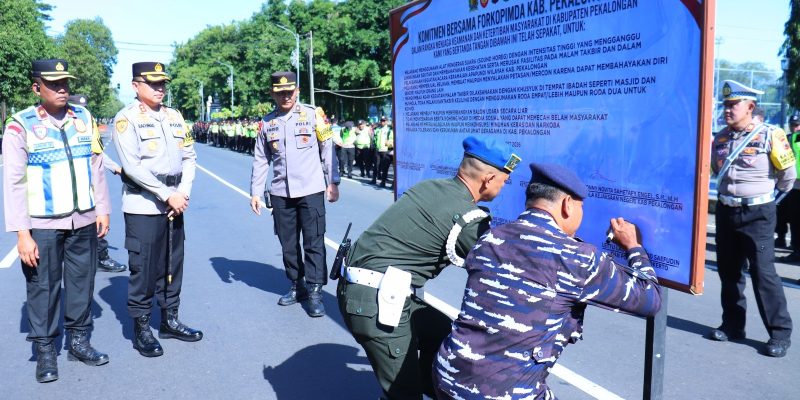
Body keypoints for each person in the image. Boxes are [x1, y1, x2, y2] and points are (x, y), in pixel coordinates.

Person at [433, 162, 662, 399]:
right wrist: (633, 246)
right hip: (505, 392)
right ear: (567, 205)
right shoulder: (577, 258)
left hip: (447, 376)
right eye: (581, 207)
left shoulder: (490, 237)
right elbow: (650, 299)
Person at [337, 136, 520, 399]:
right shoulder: (469, 218)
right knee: (403, 394)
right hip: (376, 303)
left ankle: (426, 382)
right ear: (489, 180)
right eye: (505, 180)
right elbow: (503, 270)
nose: (503, 186)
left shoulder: (430, 187)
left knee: (440, 331)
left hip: (362, 290)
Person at [2, 59, 111, 382]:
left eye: (65, 82)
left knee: (82, 284)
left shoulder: (84, 118)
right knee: (43, 287)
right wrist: (23, 233)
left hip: (84, 221)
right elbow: (14, 182)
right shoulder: (19, 125)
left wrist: (102, 208)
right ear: (37, 88)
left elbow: (97, 165)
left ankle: (79, 341)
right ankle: (46, 351)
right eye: (54, 84)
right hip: (44, 224)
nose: (63, 88)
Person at [112, 62, 203, 358]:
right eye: (153, 84)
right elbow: (132, 166)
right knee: (144, 267)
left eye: (163, 83)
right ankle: (141, 328)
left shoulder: (175, 116)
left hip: (176, 200)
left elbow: (190, 156)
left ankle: (169, 319)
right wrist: (166, 194)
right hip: (144, 205)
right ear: (136, 86)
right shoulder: (126, 119)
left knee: (171, 264)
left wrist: (183, 192)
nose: (160, 88)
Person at [710, 80, 794, 357]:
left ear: (750, 106)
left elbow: (787, 178)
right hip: (726, 210)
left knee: (763, 273)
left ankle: (779, 334)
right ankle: (733, 325)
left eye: (734, 105)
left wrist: (766, 202)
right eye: (725, 105)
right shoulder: (720, 138)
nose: (728, 110)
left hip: (757, 214)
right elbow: (714, 171)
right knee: (729, 272)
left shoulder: (771, 134)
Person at [250, 71, 340, 318]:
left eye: (289, 92)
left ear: (297, 91)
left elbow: (327, 149)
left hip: (310, 191)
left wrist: (332, 181)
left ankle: (314, 291)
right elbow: (261, 159)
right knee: (287, 244)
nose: (285, 96)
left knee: (314, 242)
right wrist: (256, 192)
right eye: (280, 93)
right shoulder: (267, 123)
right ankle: (296, 284)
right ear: (273, 94)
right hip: (280, 193)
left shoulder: (313, 115)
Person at [68, 94, 127, 273]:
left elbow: (97, 154)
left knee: (96, 218)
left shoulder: (87, 124)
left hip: (87, 183)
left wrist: (116, 168)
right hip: (63, 187)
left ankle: (101, 257)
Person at [776, 114, 800, 258]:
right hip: (792, 184)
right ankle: (794, 247)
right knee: (792, 217)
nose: (795, 127)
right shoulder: (789, 138)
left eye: (797, 124)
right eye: (793, 125)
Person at [372, 116, 393, 187]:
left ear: (387, 121)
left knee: (384, 167)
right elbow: (374, 138)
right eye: (381, 120)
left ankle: (383, 182)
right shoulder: (377, 129)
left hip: (385, 150)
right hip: (378, 150)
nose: (382, 122)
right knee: (376, 166)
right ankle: (374, 179)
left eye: (384, 121)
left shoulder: (389, 129)